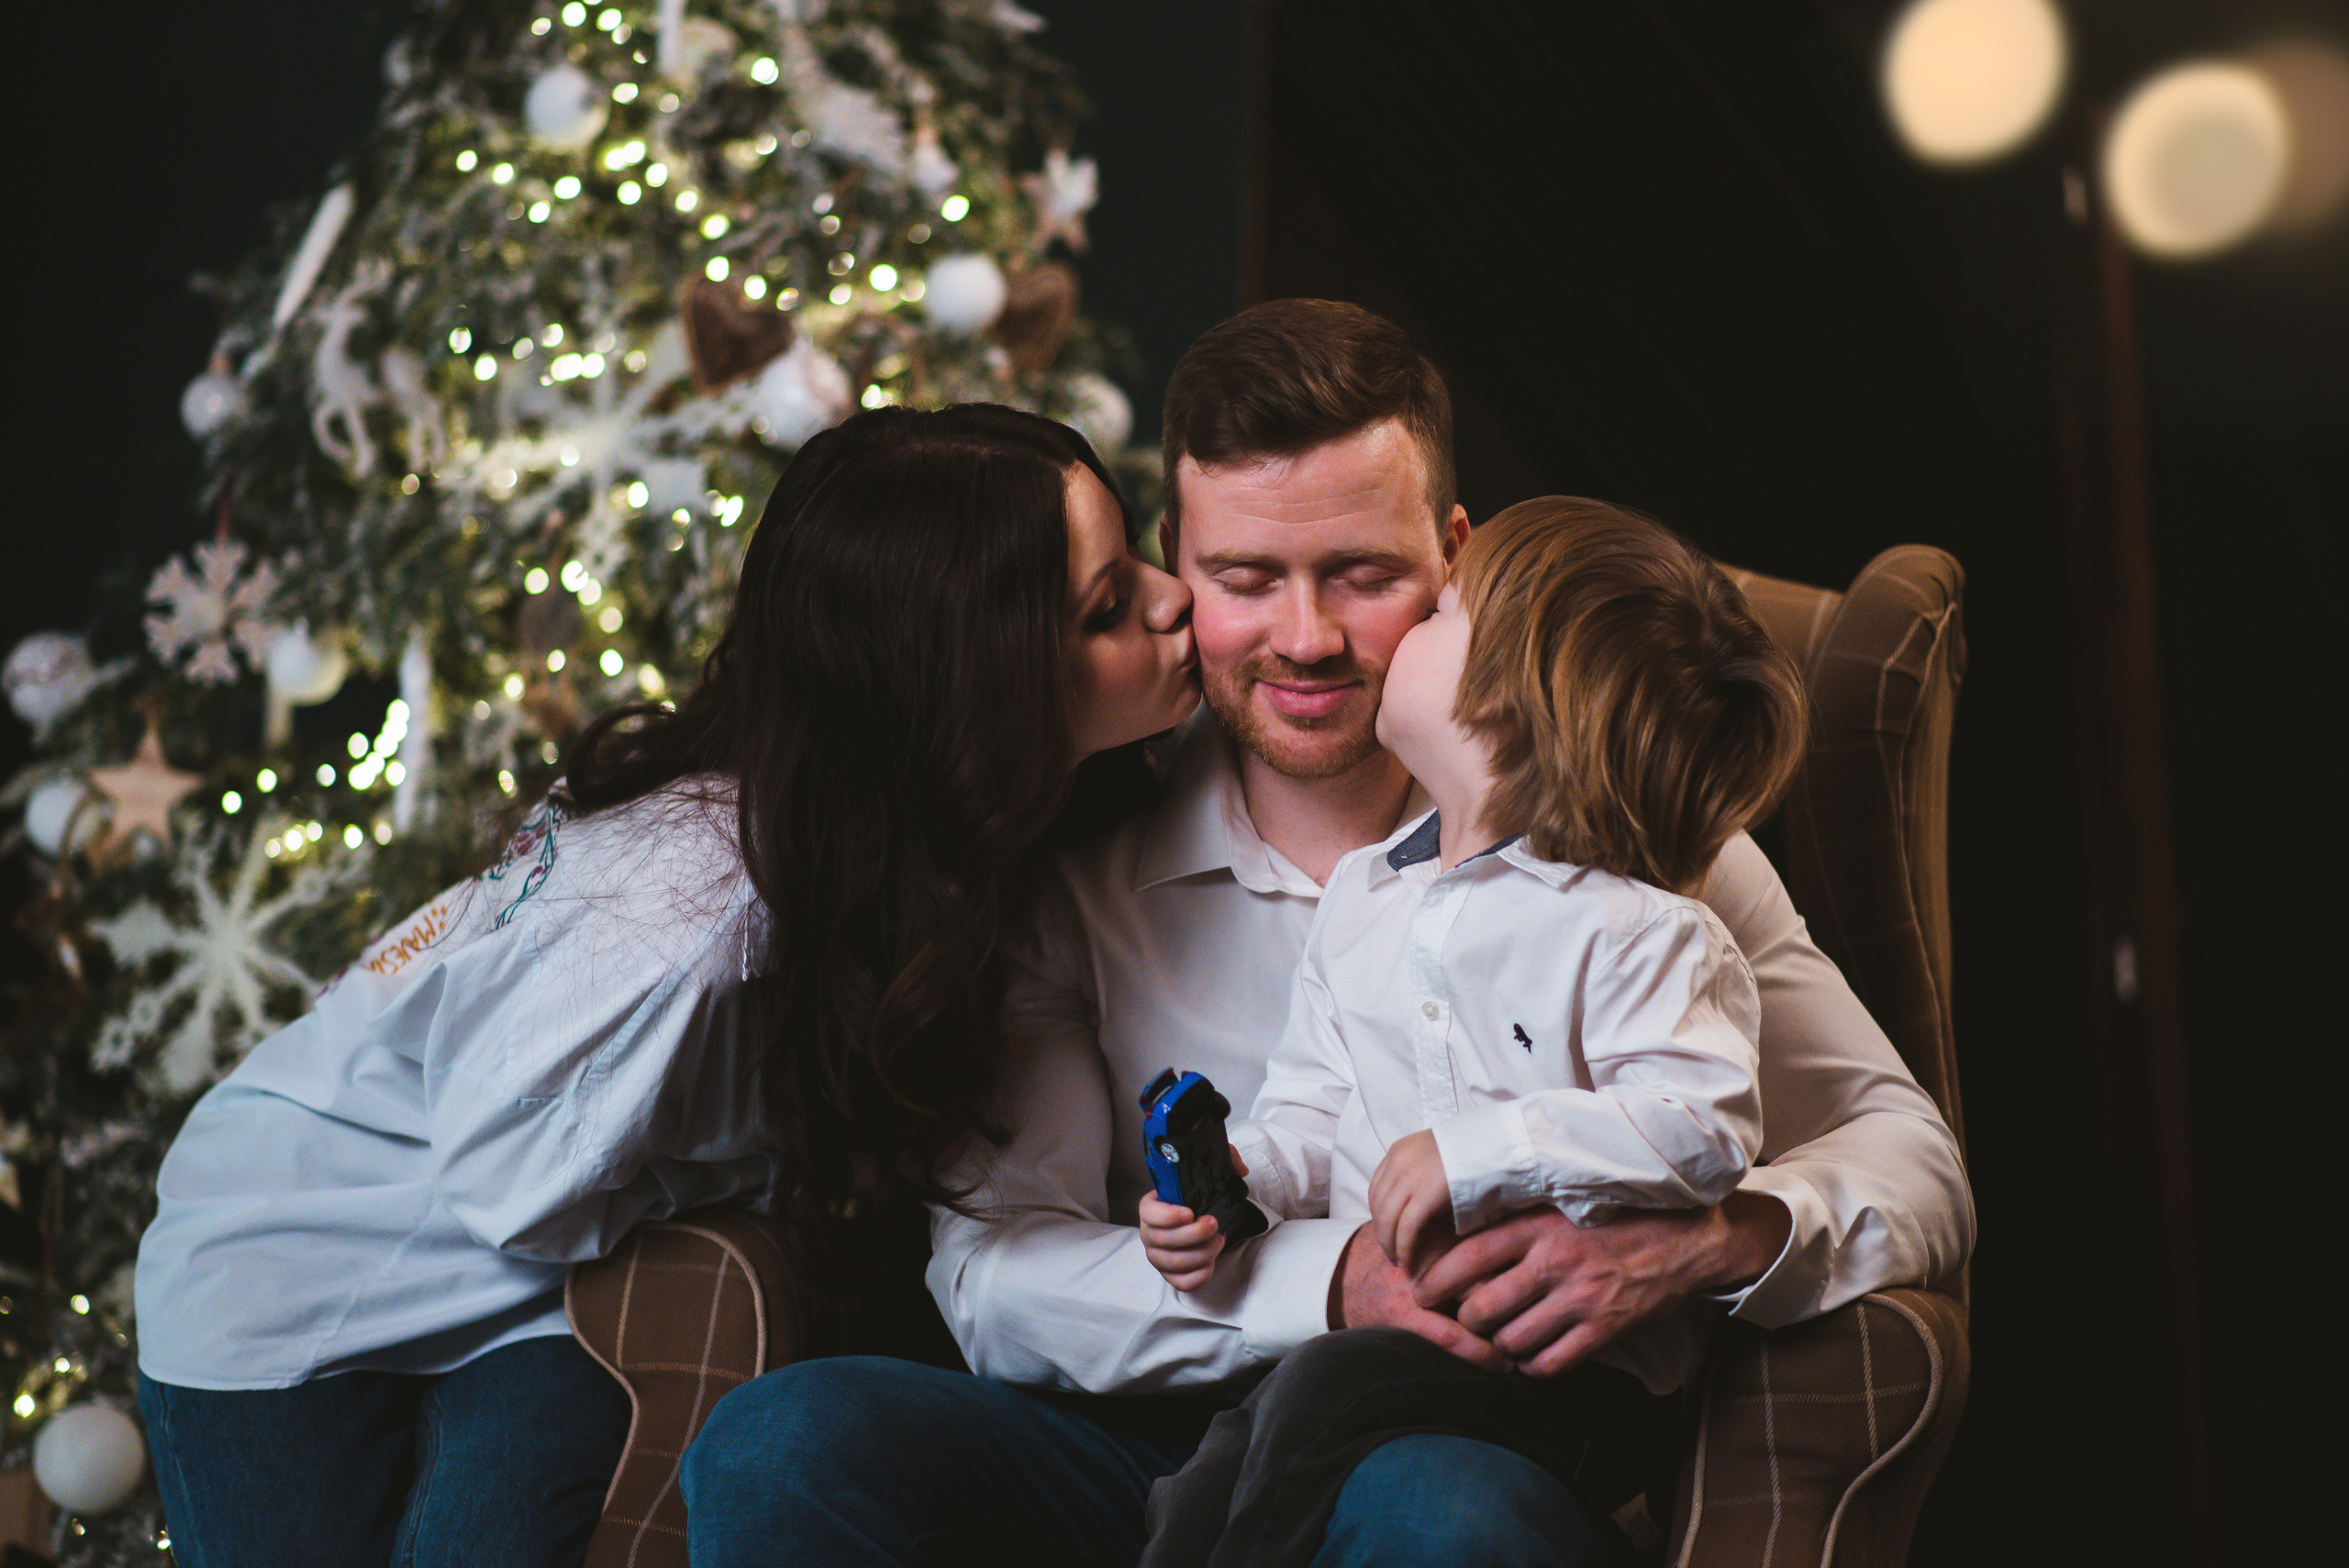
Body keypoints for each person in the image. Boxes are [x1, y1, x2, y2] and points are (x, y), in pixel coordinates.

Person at [680, 301, 1973, 1567]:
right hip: (1161, 1453)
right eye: (1245, 580)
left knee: (1432, 1508)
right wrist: (1327, 1279)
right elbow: (995, 1283)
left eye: (1362, 577)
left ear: (1454, 558)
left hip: (1467, 1449)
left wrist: (1714, 1240)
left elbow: (1915, 1158)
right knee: (782, 1444)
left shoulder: (1630, 834)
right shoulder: (1077, 852)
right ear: (1179, 567)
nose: (1306, 641)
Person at [129, 403, 1200, 1568]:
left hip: (514, 1288)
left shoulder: (921, 840)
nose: (1174, 596)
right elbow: (507, 1183)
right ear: (962, 685)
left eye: (1138, 552)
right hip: (287, 1264)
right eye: (1106, 607)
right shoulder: (695, 911)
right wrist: (746, 1168)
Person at [1133, 496, 1807, 1567]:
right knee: (1212, 1468)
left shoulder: (1638, 926)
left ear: (1513, 702)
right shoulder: (1365, 896)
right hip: (1396, 1356)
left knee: (1317, 1392)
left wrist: (1477, 1150)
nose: (1401, 631)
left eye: (1441, 609)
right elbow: (1314, 1106)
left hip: (1575, 1377)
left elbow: (1704, 1124)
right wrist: (1235, 1177)